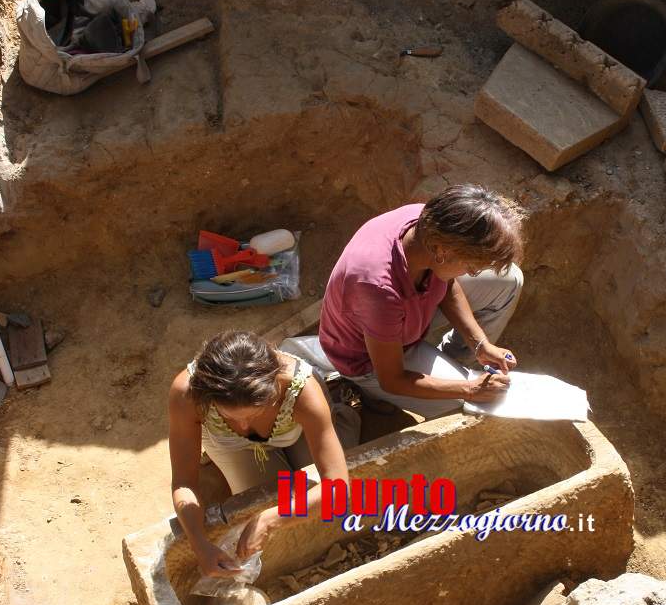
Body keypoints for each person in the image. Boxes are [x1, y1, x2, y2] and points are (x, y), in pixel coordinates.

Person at [317, 183, 524, 417]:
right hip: (370, 360)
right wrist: (470, 389)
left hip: (405, 317)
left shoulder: (431, 222)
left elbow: (447, 283)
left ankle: (454, 362)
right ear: (440, 251)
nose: (471, 273)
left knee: (509, 279)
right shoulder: (377, 288)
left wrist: (480, 344)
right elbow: (392, 380)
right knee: (465, 408)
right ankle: (368, 392)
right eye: (471, 266)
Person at [168, 331, 359, 577]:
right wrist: (199, 543)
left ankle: (344, 415)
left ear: (274, 390)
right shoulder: (187, 394)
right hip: (229, 444)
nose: (245, 427)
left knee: (309, 497)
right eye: (231, 417)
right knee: (271, 495)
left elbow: (337, 488)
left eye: (254, 414)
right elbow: (183, 482)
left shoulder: (301, 389)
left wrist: (270, 520)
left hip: (294, 428)